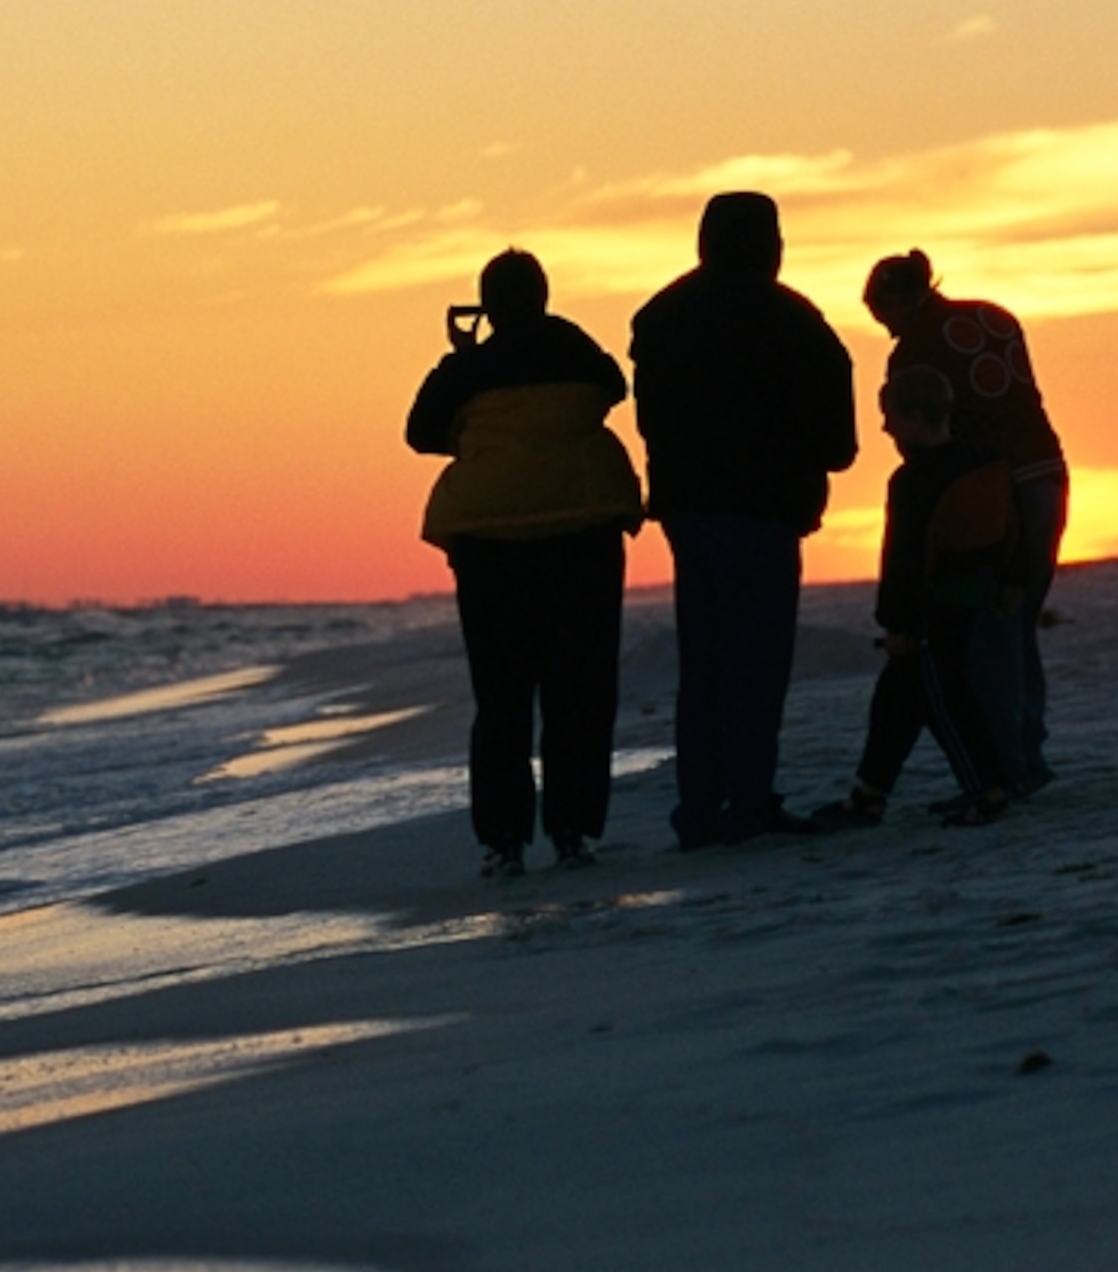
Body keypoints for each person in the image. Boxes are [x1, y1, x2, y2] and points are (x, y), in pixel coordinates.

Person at [628, 191, 858, 849]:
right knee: (756, 665)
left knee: (702, 667)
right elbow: (839, 442)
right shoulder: (794, 319)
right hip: (764, 510)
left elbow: (649, 421)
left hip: (688, 512)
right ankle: (749, 804)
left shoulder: (661, 316)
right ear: (771, 243)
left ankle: (699, 811)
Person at [407, 248, 643, 876]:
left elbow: (421, 431)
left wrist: (462, 353)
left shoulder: (469, 369)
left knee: (501, 697)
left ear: (487, 303)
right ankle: (572, 833)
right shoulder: (574, 352)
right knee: (580, 691)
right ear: (543, 294)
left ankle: (503, 842)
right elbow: (612, 383)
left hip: (490, 544)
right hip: (581, 532)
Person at [864, 249, 1067, 791]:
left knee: (989, 634)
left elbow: (926, 443)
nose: (886, 332)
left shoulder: (915, 353)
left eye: (883, 317)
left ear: (900, 300)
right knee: (1017, 625)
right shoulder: (995, 317)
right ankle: (1027, 756)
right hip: (1047, 472)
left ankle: (1004, 769)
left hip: (989, 491)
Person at [816, 364, 1024, 829]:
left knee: (946, 701)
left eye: (890, 416)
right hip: (973, 596)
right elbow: (1014, 531)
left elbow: (905, 556)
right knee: (896, 697)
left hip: (929, 609)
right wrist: (1012, 581)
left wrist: (897, 623)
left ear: (913, 416)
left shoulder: (913, 480)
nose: (886, 427)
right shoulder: (985, 463)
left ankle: (987, 793)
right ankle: (869, 794)